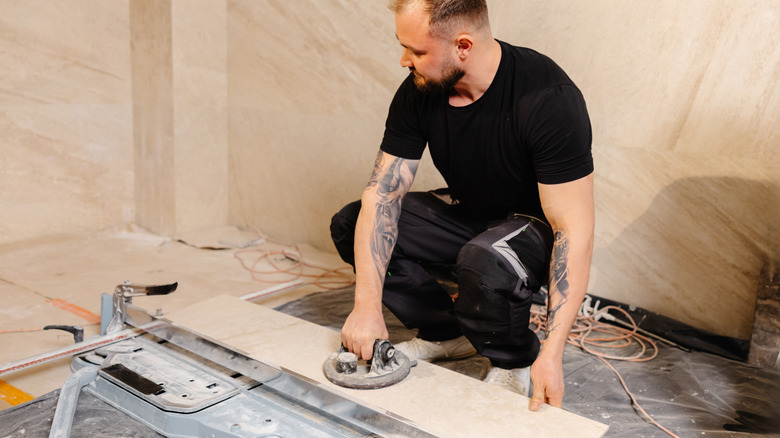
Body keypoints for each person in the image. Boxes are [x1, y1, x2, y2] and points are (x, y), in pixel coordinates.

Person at [330, 0, 594, 412]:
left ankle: (514, 359)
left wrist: (552, 354)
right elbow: (382, 194)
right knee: (352, 222)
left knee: (484, 260)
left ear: (463, 45)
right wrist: (365, 307)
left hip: (531, 226)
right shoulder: (420, 89)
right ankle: (444, 332)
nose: (405, 61)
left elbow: (573, 229)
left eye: (417, 51)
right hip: (469, 211)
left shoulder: (547, 96)